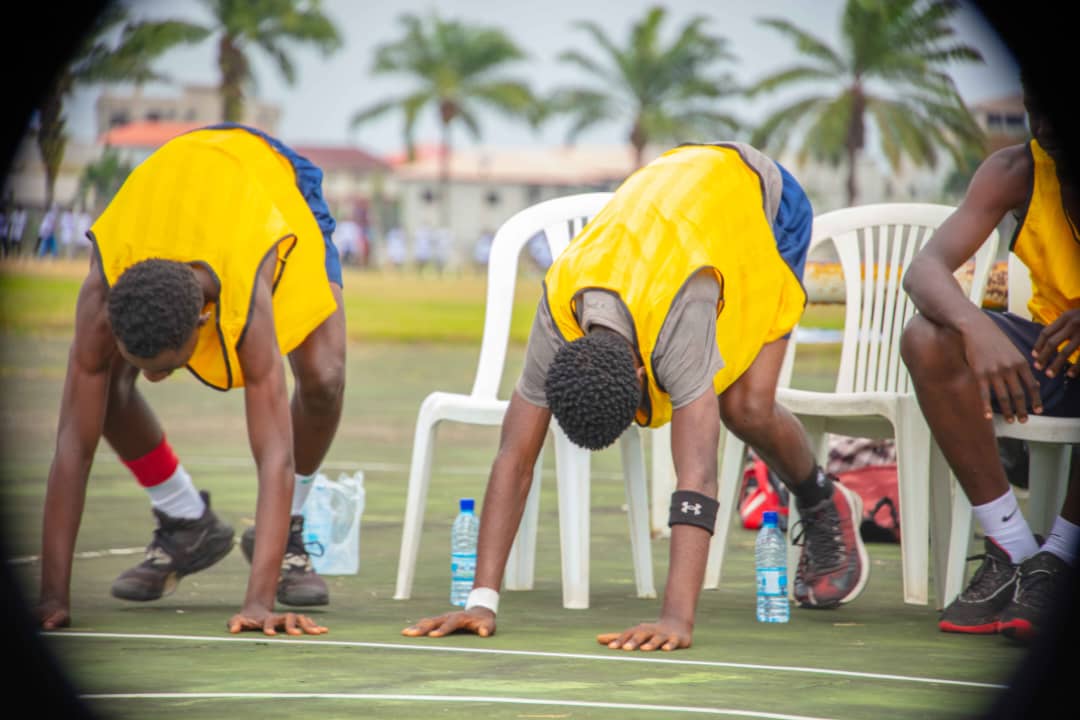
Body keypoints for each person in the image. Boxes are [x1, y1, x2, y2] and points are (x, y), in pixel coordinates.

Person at [402, 142, 870, 651]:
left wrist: (675, 618)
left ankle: (821, 498)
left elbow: (698, 474)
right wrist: (481, 601)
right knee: (727, 399)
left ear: (646, 372)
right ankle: (819, 495)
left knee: (746, 407)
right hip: (675, 200)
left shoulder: (679, 314)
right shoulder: (560, 304)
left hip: (759, 199)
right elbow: (514, 457)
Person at [35, 123, 347, 637]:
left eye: (167, 366)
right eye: (145, 363)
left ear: (205, 320)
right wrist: (50, 598)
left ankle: (287, 528)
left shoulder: (246, 295)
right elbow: (72, 446)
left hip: (273, 182)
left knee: (324, 376)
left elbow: (275, 456)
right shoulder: (104, 288)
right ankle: (186, 520)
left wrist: (258, 603)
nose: (154, 380)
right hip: (178, 180)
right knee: (103, 390)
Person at [900, 71, 1079, 643]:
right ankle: (1011, 547)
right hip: (1057, 352)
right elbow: (925, 269)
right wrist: (975, 326)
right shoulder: (1016, 170)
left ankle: (1062, 559)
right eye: (1034, 111)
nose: (1044, 128)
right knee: (927, 337)